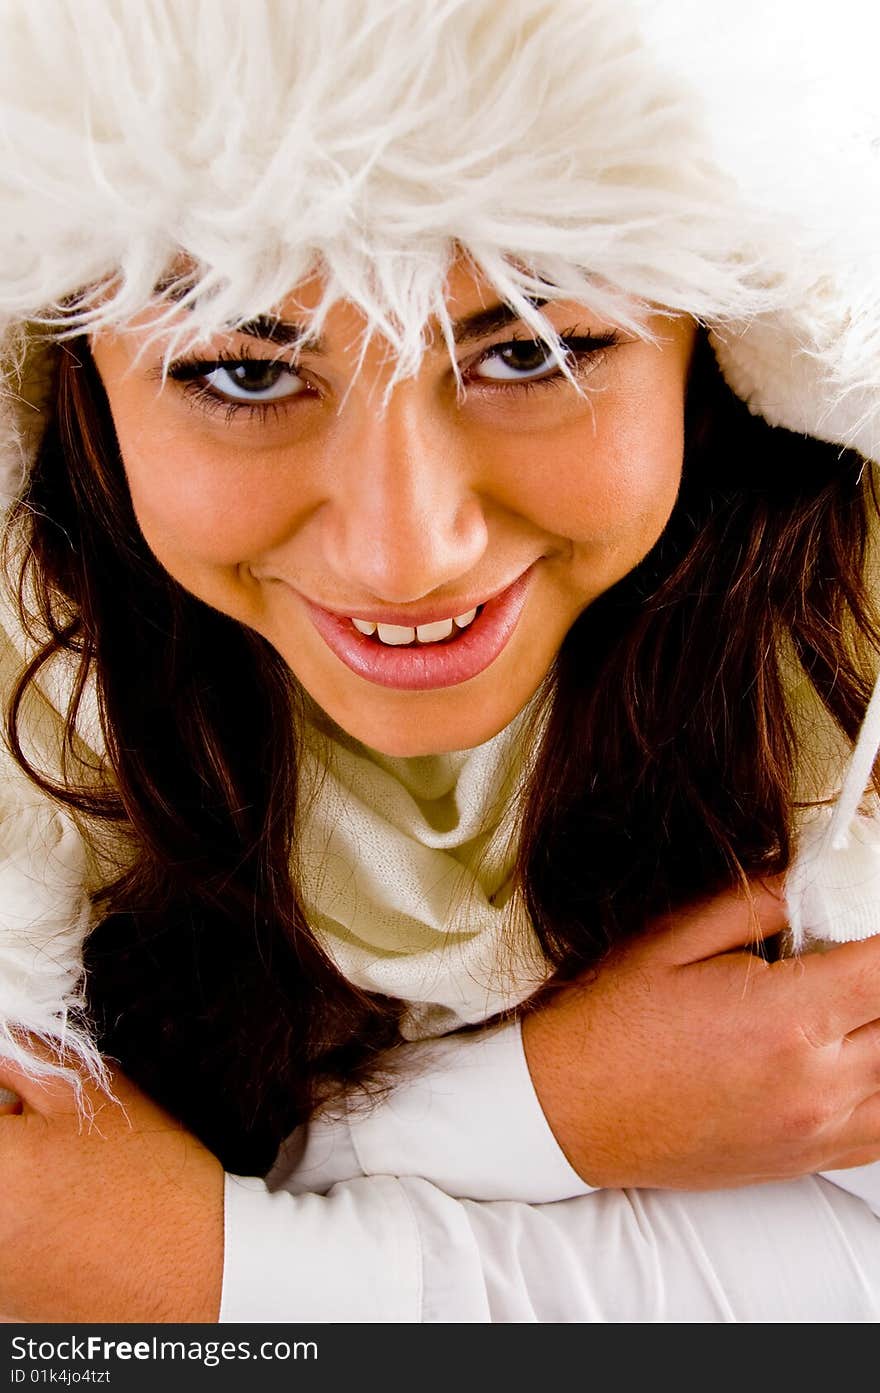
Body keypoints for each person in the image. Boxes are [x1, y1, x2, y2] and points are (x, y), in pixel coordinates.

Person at [1, 0, 879, 1323]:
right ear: (69, 378)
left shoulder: (842, 661)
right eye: (242, 373)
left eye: (530, 349)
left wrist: (249, 1249)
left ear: (727, 347)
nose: (408, 549)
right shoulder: (35, 756)